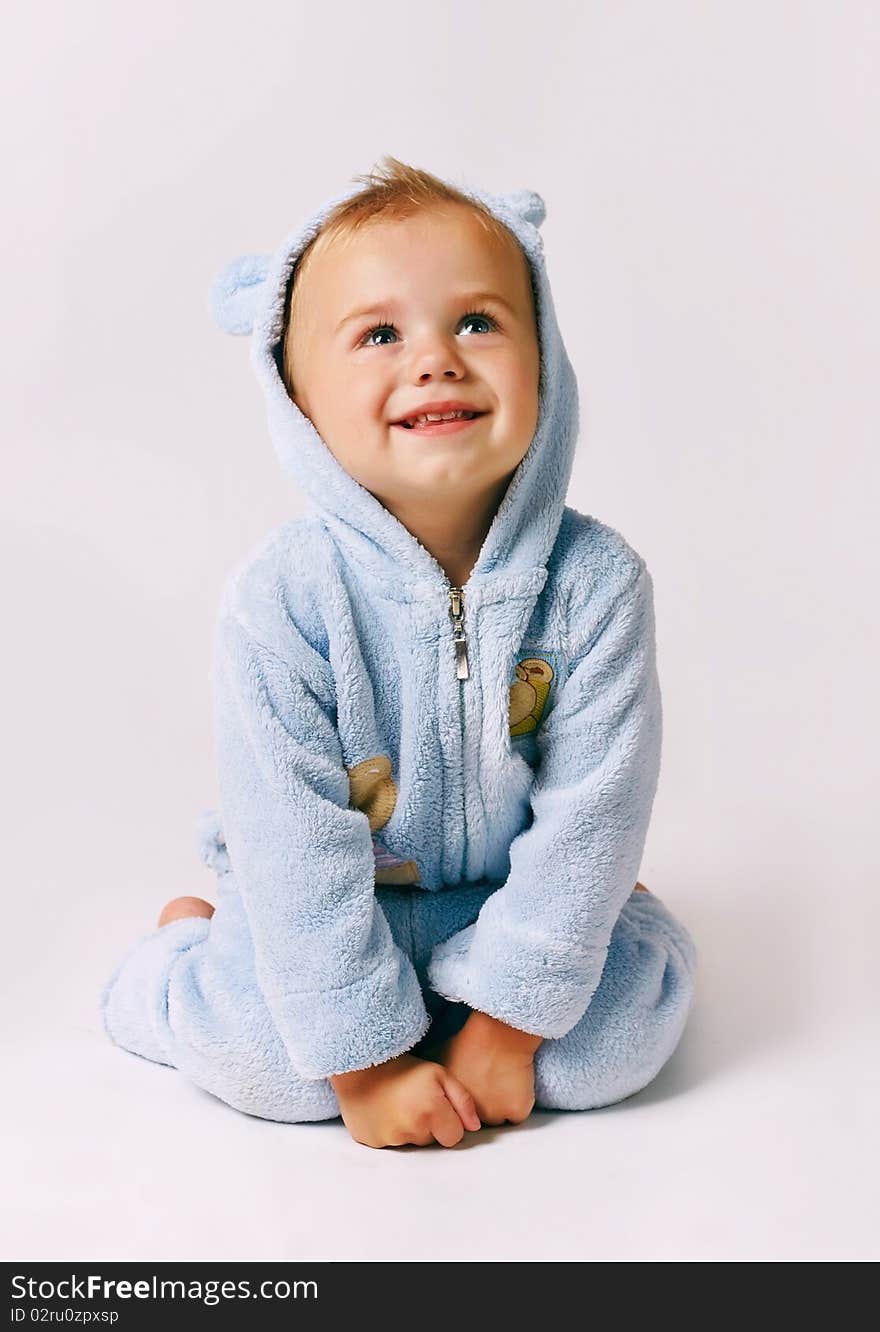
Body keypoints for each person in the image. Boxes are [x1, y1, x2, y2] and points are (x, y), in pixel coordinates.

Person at [100, 156, 697, 1149]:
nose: (435, 358)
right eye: (379, 334)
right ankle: (177, 955)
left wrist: (509, 1023)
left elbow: (599, 803)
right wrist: (367, 1065)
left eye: (477, 321)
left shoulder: (597, 583)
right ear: (297, 395)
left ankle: (614, 916)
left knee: (601, 1055)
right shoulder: (281, 600)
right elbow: (290, 837)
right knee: (272, 1065)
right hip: (331, 900)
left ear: (541, 358)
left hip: (503, 893)